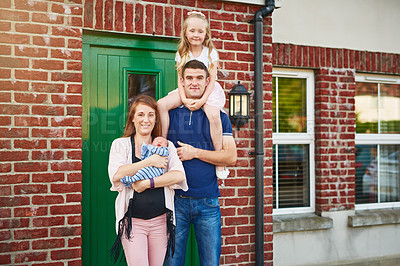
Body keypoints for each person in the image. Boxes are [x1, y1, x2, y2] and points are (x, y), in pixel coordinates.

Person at [164, 60, 237, 265]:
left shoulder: (219, 116)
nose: (194, 83)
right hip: (175, 200)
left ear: (207, 83)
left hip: (208, 202)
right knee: (172, 262)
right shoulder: (170, 113)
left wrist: (195, 153)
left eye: (199, 78)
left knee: (210, 263)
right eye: (189, 78)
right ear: (182, 81)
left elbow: (230, 157)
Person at [108, 95, 188, 266]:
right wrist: (149, 162)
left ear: (156, 119)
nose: (146, 120)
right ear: (133, 119)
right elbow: (116, 174)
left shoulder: (165, 146)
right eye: (141, 114)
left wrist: (148, 184)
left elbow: (179, 175)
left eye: (151, 115)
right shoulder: (120, 145)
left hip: (161, 222)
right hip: (133, 223)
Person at [157, 11, 229, 180]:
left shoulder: (211, 53)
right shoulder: (181, 53)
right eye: (192, 31)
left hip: (208, 92)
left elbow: (211, 81)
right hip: (186, 90)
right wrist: (185, 98)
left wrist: (202, 101)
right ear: (185, 33)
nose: (196, 35)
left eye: (200, 31)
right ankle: (163, 144)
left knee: (213, 115)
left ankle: (219, 160)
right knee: (161, 104)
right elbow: (180, 80)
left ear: (206, 34)